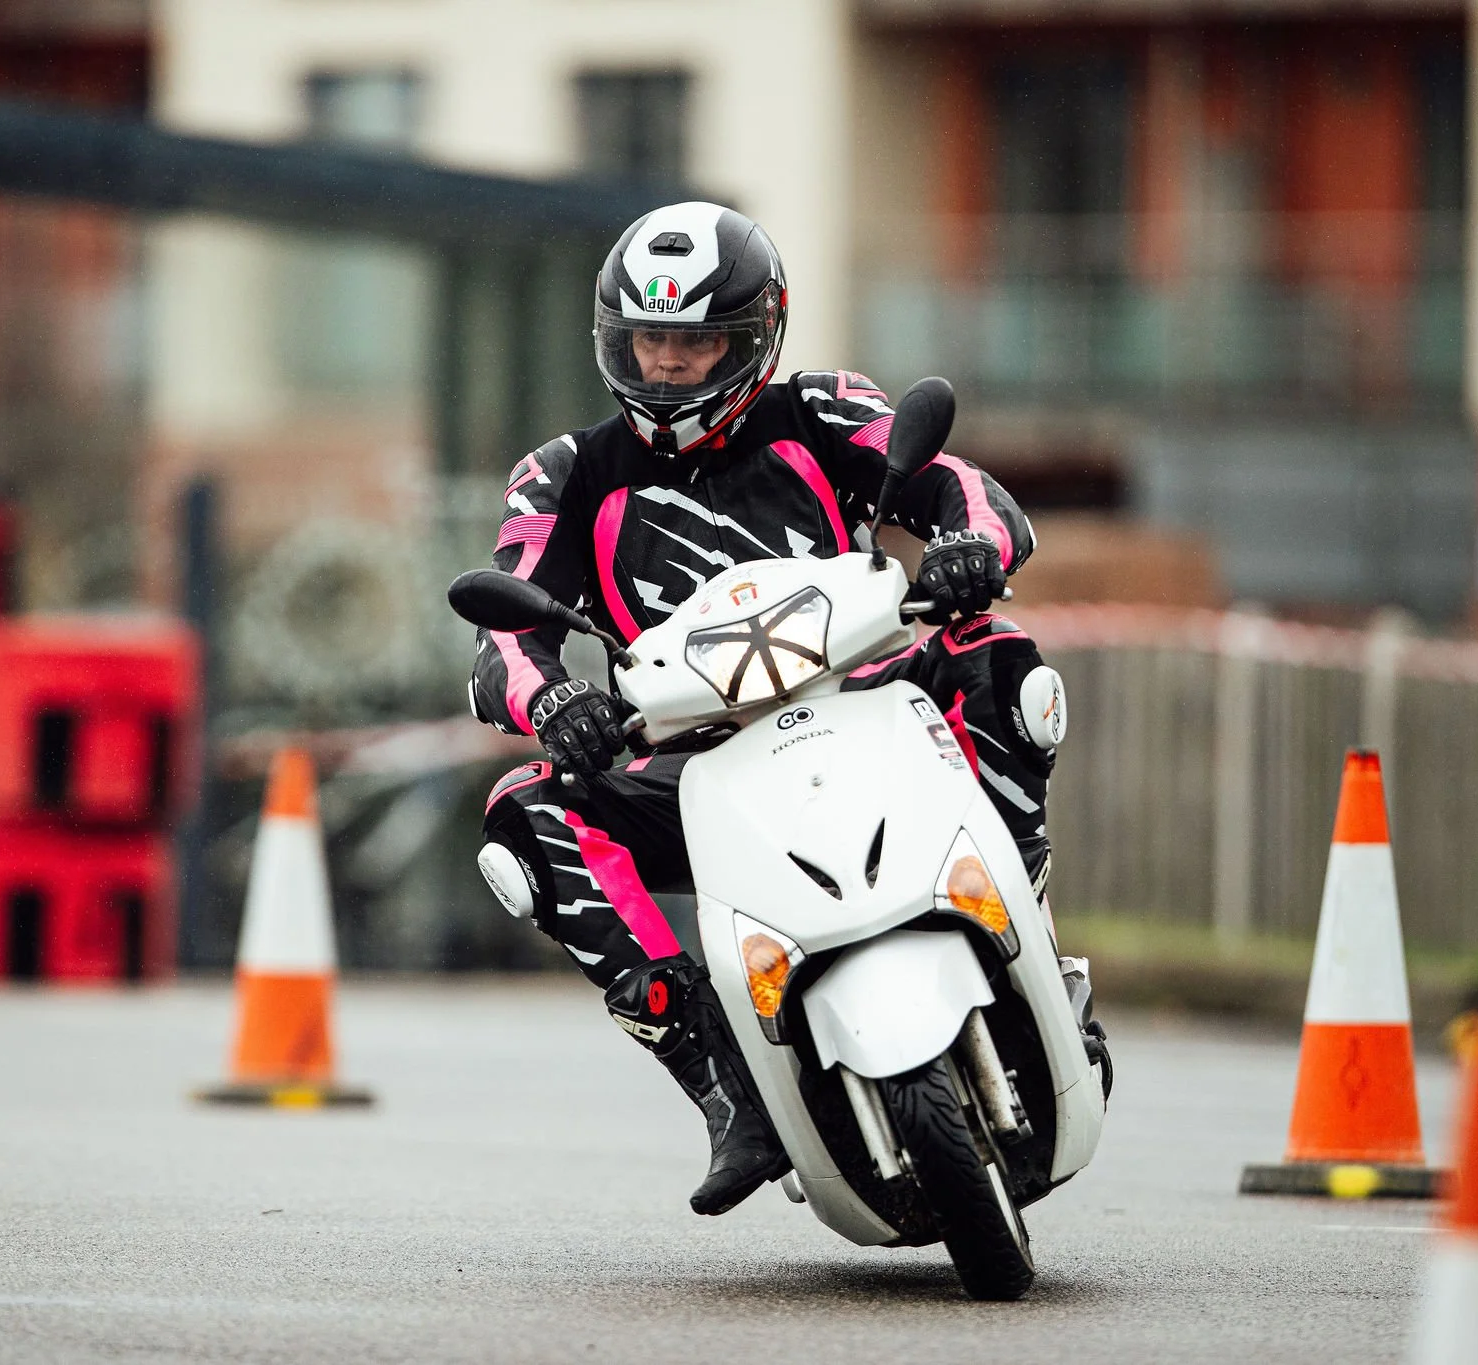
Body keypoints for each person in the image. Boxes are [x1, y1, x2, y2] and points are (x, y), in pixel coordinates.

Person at [465, 202, 1085, 1216]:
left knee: (999, 660)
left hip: (872, 700)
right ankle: (723, 1081)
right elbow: (502, 632)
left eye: (694, 341)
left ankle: (1021, 904)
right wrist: (556, 696)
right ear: (610, 341)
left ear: (755, 336)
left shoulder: (823, 409)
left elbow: (958, 487)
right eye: (645, 342)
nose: (666, 367)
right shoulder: (563, 474)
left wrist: (968, 548)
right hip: (693, 760)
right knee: (523, 820)